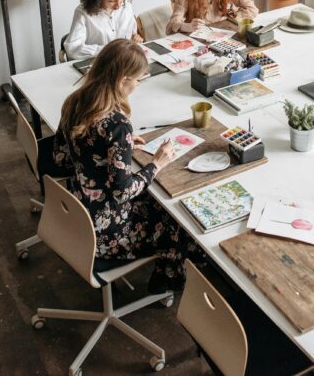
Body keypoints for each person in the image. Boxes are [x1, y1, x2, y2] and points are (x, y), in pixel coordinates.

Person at [52, 39, 203, 292]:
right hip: (103, 234)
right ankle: (167, 283)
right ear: (122, 80)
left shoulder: (75, 101)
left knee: (157, 205)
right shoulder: (117, 125)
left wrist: (111, 153)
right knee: (177, 223)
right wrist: (156, 163)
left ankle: (167, 274)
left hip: (79, 213)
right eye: (138, 80)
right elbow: (122, 192)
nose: (138, 85)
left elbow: (60, 159)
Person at [65, 0, 142, 60]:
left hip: (124, 61)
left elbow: (132, 34)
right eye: (112, 1)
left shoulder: (126, 6)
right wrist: (108, 50)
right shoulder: (83, 13)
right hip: (98, 63)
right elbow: (73, 49)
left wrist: (135, 39)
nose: (118, 5)